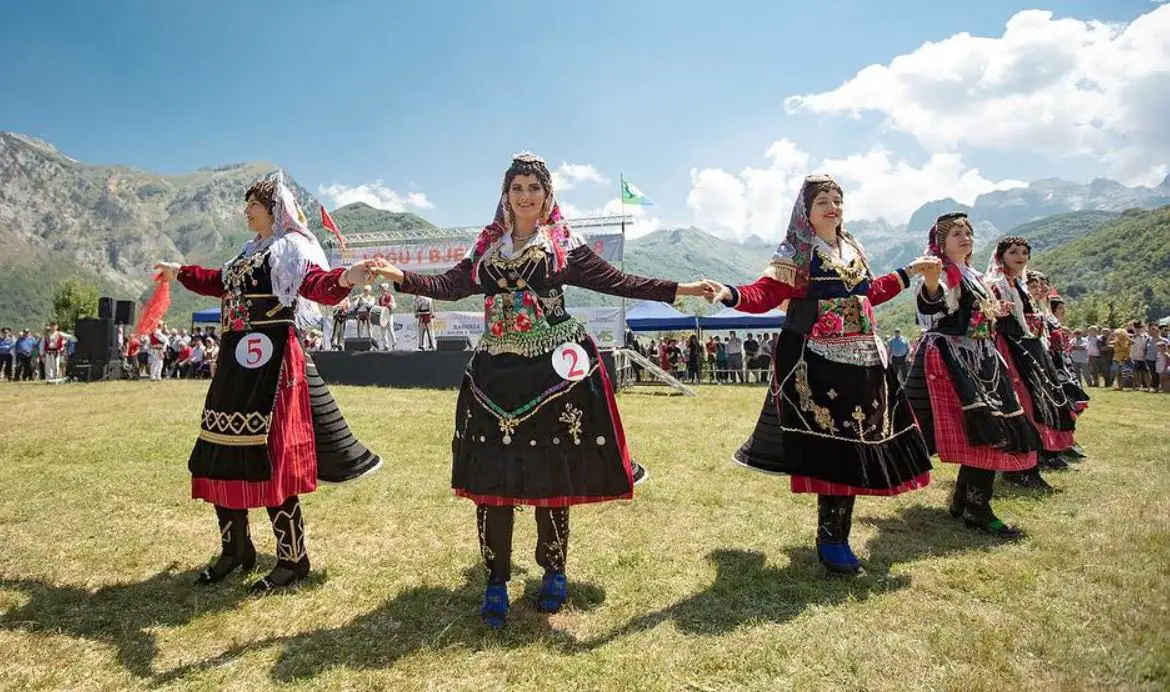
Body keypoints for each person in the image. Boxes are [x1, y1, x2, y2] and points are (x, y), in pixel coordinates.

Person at [374, 153, 715, 628]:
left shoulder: (561, 244)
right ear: (506, 195)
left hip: (550, 375)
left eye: (534, 187)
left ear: (548, 194)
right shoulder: (488, 246)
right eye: (517, 188)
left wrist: (684, 289)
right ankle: (495, 581)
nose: (525, 196)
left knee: (550, 473)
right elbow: (451, 284)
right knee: (491, 478)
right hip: (495, 372)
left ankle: (554, 571)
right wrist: (402, 277)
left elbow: (618, 281)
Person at [152, 172, 385, 594]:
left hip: (273, 364)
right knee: (221, 451)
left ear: (274, 210)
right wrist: (179, 272)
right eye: (247, 205)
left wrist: (346, 277)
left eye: (253, 205)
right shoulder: (246, 253)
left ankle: (293, 560)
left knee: (271, 457)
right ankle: (235, 550)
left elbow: (315, 285)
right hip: (234, 365)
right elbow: (216, 282)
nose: (247, 211)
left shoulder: (289, 249)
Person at [708, 174, 940, 575]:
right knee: (835, 448)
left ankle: (836, 536)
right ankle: (832, 541)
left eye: (837, 200)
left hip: (864, 359)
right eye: (823, 202)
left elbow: (870, 292)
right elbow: (768, 293)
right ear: (806, 211)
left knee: (858, 442)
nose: (833, 207)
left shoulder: (852, 247)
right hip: (816, 361)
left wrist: (908, 273)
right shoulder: (796, 251)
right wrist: (731, 293)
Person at [903, 213, 1041, 539]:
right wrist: (932, 284)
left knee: (987, 425)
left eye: (968, 232)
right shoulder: (939, 273)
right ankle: (977, 508)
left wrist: (994, 311)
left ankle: (965, 500)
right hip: (951, 358)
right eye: (956, 234)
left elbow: (976, 313)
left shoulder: (973, 275)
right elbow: (931, 312)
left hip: (980, 355)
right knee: (983, 424)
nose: (965, 238)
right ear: (941, 242)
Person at [985, 238, 1074, 488]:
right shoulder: (995, 285)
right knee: (1019, 403)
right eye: (1013, 252)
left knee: (1036, 402)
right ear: (1001, 256)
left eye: (1025, 252)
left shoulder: (1020, 284)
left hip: (1028, 347)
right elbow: (989, 319)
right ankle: (1017, 468)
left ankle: (1034, 462)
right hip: (1008, 348)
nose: (1020, 256)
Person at [375, 283, 398, 350]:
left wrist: (387, 305)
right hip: (382, 316)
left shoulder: (390, 296)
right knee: (383, 330)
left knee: (390, 329)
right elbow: (378, 306)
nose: (380, 289)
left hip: (389, 314)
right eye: (380, 288)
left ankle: (394, 344)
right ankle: (386, 346)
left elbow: (393, 305)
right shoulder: (379, 298)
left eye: (381, 288)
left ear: (384, 289)